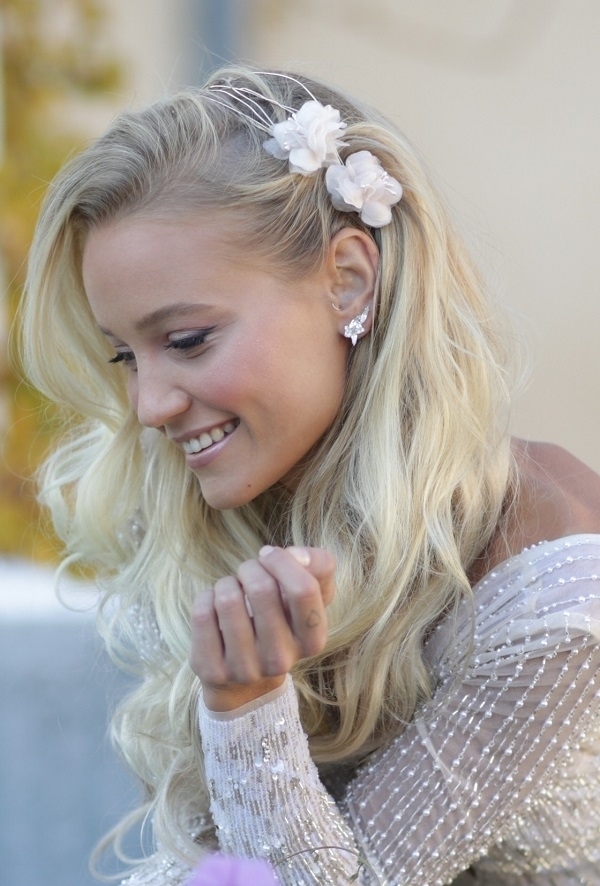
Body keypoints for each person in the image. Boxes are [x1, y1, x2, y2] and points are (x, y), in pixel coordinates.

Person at [20, 65, 600, 885]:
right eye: (125, 356)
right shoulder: (201, 513)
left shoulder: (552, 580)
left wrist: (247, 706)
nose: (149, 406)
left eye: (186, 341)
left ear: (347, 279)